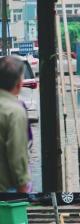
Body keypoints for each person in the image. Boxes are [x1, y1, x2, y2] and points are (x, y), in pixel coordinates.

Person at [0, 56, 31, 192]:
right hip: (7, 189)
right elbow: (17, 156)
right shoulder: (15, 111)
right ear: (19, 84)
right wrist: (23, 187)